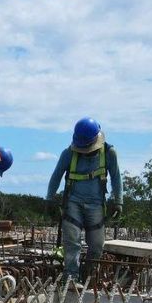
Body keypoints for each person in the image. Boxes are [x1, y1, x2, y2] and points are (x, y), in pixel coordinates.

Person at [46, 118, 122, 282]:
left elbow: (116, 177)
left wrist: (118, 201)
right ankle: (71, 275)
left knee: (96, 244)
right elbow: (56, 175)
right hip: (73, 203)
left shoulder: (109, 153)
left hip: (96, 205)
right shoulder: (68, 154)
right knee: (72, 241)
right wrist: (49, 199)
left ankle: (89, 274)